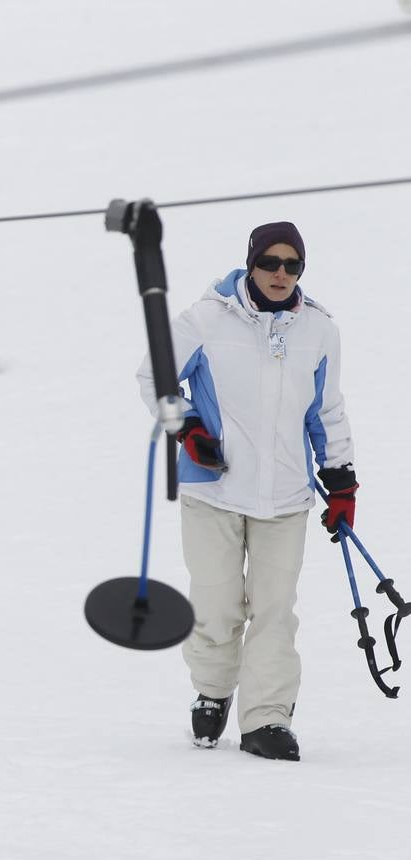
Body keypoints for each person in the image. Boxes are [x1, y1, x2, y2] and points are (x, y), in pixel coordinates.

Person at [138, 221, 356, 762]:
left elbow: (324, 410)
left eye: (293, 264)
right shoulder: (206, 318)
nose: (281, 274)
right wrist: (188, 429)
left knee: (275, 610)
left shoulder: (319, 329)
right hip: (213, 491)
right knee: (216, 606)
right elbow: (154, 376)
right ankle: (212, 694)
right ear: (252, 262)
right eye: (271, 263)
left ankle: (266, 719)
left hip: (285, 498)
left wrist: (342, 479)